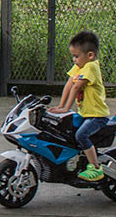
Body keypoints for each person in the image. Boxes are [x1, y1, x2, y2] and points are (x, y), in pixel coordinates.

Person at [47, 30, 109, 181]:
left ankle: (95, 168)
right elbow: (69, 84)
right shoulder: (80, 66)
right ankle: (80, 161)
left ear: (90, 55)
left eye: (76, 56)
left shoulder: (91, 67)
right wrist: (60, 106)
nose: (74, 60)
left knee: (81, 135)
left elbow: (76, 87)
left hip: (97, 115)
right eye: (72, 56)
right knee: (68, 129)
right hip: (85, 114)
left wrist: (66, 109)